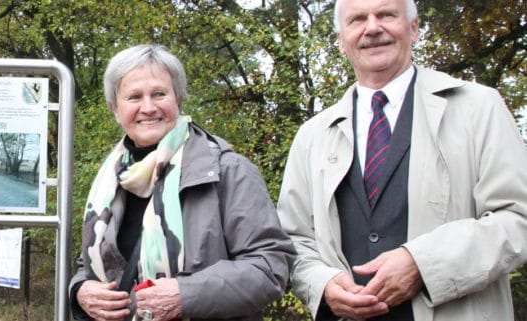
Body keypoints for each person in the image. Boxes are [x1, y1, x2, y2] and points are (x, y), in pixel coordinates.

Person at [276, 0, 527, 320]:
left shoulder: (479, 108)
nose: (372, 28)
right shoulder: (312, 136)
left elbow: (517, 218)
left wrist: (423, 264)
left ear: (414, 28)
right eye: (357, 20)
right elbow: (292, 239)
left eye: (386, 15)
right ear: (341, 41)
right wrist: (322, 284)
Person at [69, 44, 295, 321]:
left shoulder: (227, 170)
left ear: (178, 98)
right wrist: (80, 290)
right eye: (134, 97)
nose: (148, 107)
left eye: (159, 94)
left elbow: (270, 266)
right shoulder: (109, 181)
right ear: (115, 108)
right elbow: (90, 264)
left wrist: (184, 295)